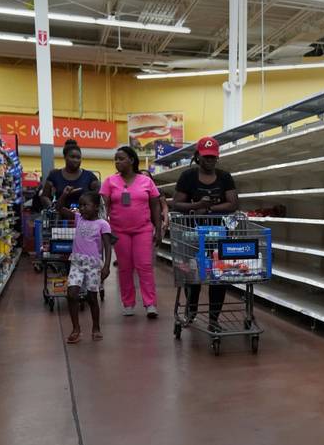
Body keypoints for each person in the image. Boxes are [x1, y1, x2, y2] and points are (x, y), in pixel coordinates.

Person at [172, 137, 239, 330]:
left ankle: (213, 319)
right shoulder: (188, 176)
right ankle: (191, 311)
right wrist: (197, 205)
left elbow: (233, 204)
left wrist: (209, 210)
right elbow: (177, 203)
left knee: (218, 277)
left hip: (220, 233)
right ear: (198, 156)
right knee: (193, 275)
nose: (210, 160)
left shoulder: (225, 177)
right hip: (193, 234)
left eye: (213, 157)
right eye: (206, 157)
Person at [100, 146, 163, 318]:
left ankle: (150, 303)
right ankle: (128, 303)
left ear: (132, 160)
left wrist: (158, 229)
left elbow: (155, 205)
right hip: (119, 231)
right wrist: (103, 228)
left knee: (145, 266)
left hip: (143, 229)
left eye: (121, 159)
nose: (117, 162)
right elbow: (103, 207)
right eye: (116, 159)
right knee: (125, 268)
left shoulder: (146, 181)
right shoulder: (110, 181)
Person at [55, 187, 112, 344]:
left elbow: (108, 246)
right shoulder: (79, 218)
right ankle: (76, 329)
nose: (81, 208)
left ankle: (96, 327)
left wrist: (106, 266)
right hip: (77, 263)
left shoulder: (103, 224)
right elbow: (59, 208)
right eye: (80, 205)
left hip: (93, 265)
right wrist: (65, 194)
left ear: (96, 207)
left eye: (85, 205)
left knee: (91, 298)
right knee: (71, 294)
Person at [40, 140, 100, 210]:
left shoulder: (90, 176)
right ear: (65, 157)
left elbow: (98, 197)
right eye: (72, 157)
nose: (76, 160)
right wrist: (52, 209)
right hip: (60, 218)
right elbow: (45, 196)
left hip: (84, 218)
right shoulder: (54, 175)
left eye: (78, 158)